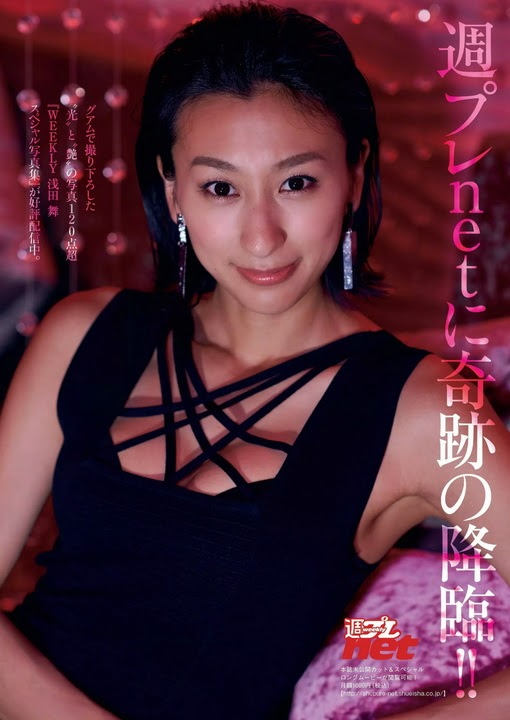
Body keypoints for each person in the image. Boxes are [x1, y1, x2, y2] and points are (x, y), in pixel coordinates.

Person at [0, 2, 509, 719]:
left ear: (354, 175)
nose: (262, 236)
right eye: (220, 188)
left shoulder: (422, 410)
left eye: (297, 182)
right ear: (173, 190)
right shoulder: (85, 332)